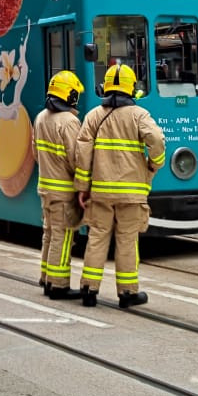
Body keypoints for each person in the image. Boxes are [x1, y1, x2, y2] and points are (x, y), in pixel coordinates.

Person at [73, 64, 165, 309]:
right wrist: (154, 164)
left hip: (101, 192)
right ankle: (127, 293)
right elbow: (156, 139)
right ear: (131, 88)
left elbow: (82, 153)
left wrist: (83, 186)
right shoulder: (139, 115)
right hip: (131, 193)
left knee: (97, 238)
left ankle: (88, 290)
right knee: (127, 241)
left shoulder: (93, 115)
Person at [33, 70, 85, 300]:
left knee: (49, 234)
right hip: (63, 191)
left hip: (45, 187)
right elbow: (77, 159)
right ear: (71, 95)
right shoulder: (70, 121)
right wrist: (85, 183)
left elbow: (35, 153)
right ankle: (59, 285)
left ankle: (46, 278)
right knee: (62, 238)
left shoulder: (41, 117)